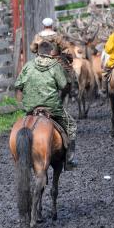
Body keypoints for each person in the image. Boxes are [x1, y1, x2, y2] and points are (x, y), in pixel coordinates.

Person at [15, 41, 78, 170]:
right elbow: (63, 85)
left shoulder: (28, 65)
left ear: (38, 52)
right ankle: (69, 160)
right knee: (71, 126)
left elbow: (18, 84)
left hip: (31, 108)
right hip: (52, 108)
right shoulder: (55, 65)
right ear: (51, 52)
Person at [31, 17, 75, 98]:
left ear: (43, 26)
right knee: (71, 71)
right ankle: (72, 91)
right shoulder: (57, 36)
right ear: (51, 25)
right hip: (56, 59)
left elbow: (33, 49)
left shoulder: (38, 36)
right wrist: (70, 59)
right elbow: (65, 50)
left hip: (40, 60)